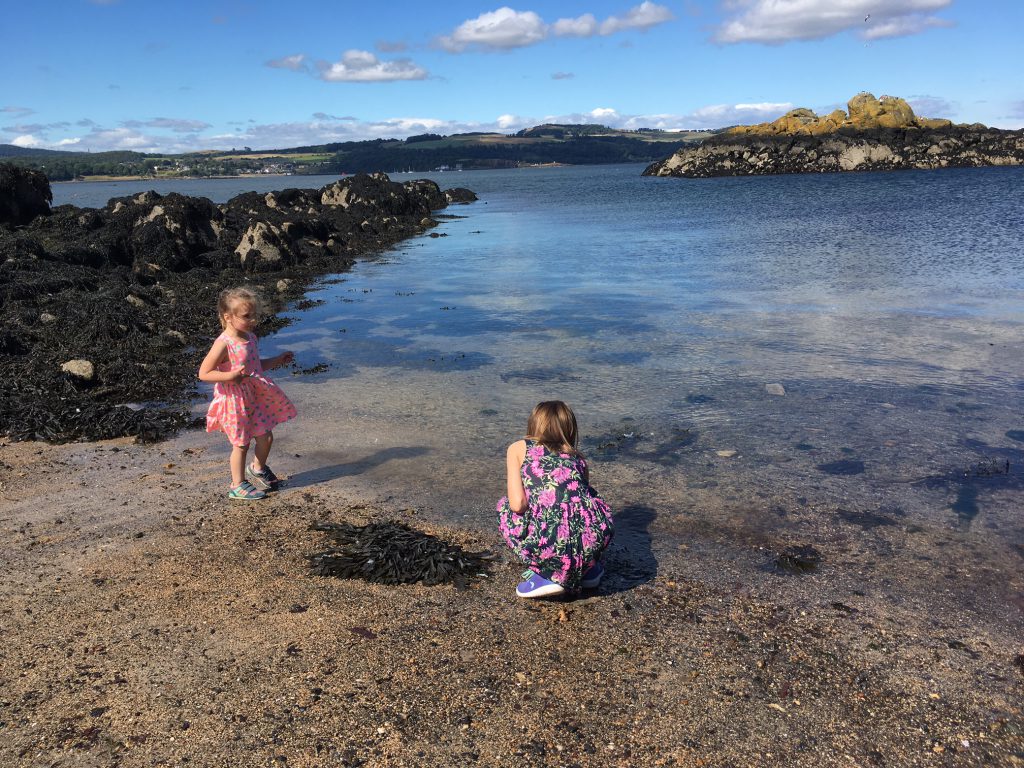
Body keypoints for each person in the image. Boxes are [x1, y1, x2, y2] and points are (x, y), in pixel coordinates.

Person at [497, 401, 614, 598]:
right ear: (570, 428)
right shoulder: (578, 457)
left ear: (533, 424)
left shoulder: (518, 448)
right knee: (580, 505)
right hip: (593, 540)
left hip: (549, 541)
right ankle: (587, 569)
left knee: (505, 505)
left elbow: (518, 504)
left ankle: (547, 573)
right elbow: (581, 503)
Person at [199, 286, 296, 500]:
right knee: (241, 444)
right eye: (246, 316)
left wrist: (278, 360)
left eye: (254, 315)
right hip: (234, 400)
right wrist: (229, 377)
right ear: (228, 317)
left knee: (266, 437)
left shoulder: (251, 338)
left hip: (253, 398)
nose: (253, 320)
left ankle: (258, 467)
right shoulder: (223, 344)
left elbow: (256, 365)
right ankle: (237, 484)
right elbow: (204, 373)